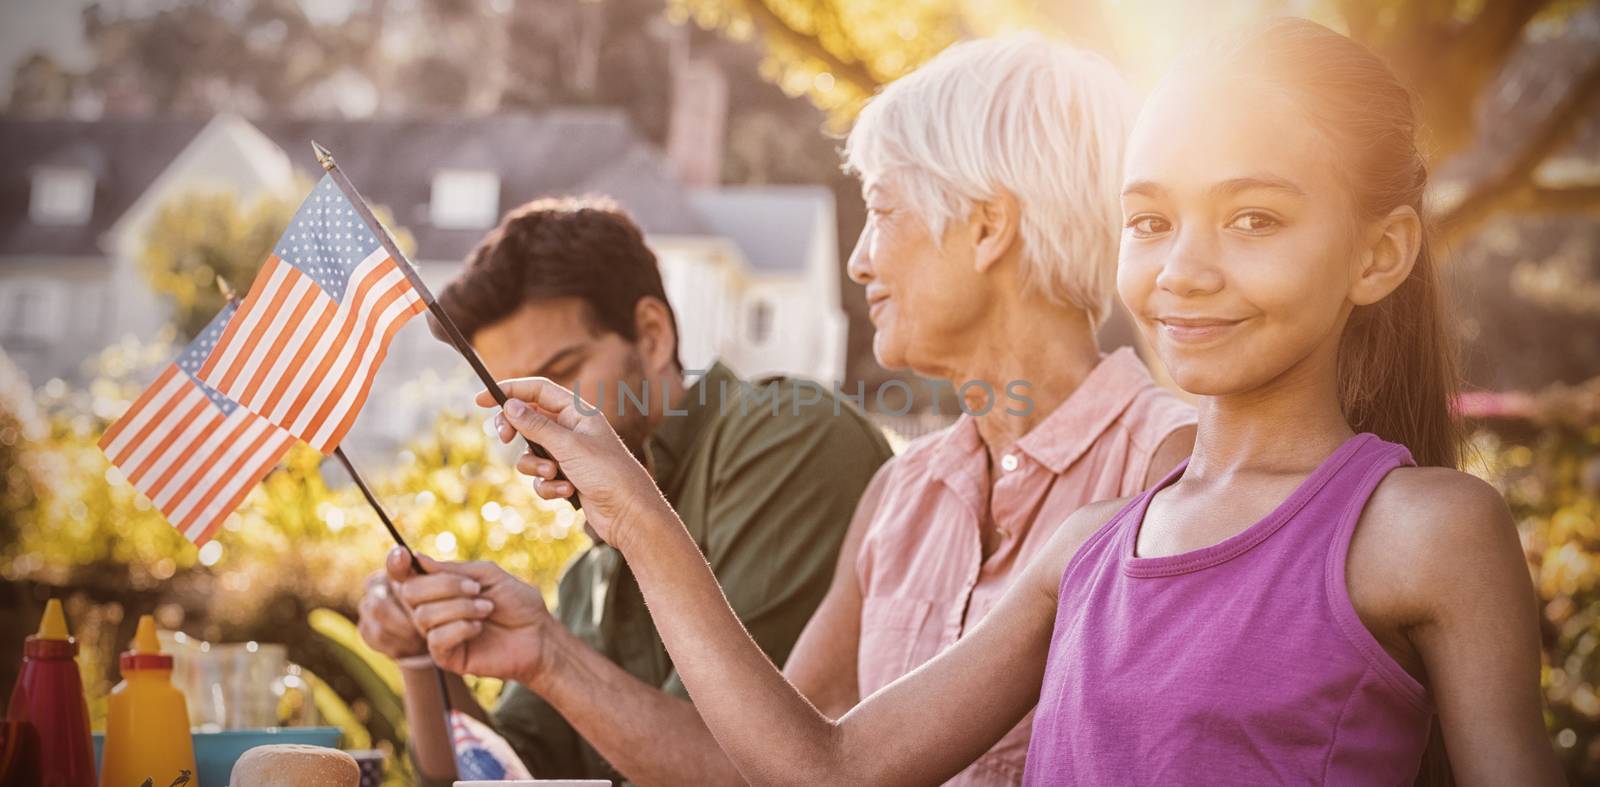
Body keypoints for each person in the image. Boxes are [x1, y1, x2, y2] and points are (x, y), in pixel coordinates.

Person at [407, 18, 1565, 785]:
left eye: (1252, 219)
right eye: (1149, 222)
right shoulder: (1086, 544)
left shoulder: (1422, 530)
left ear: (1379, 255)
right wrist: (625, 518)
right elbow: (816, 763)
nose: (1184, 268)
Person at [386, 34, 1194, 786]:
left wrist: (630, 512)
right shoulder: (900, 497)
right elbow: (770, 764)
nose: (858, 258)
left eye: (881, 210)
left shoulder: (1174, 469)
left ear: (987, 226)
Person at [353, 197, 893, 783]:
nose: (527, 423)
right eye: (509, 399)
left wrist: (554, 658)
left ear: (653, 335)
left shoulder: (788, 437)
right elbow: (505, 773)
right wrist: (424, 657)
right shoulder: (591, 574)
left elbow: (755, 764)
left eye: (558, 374)